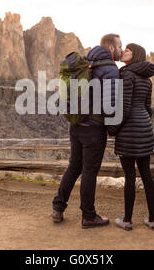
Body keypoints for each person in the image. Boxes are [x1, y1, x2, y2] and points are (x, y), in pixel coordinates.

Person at [52, 34, 121, 228]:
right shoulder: (110, 70)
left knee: (74, 167)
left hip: (76, 125)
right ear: (111, 48)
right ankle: (88, 216)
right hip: (94, 128)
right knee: (89, 171)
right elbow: (111, 103)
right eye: (120, 46)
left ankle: (58, 207)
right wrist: (112, 128)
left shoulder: (84, 64)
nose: (121, 50)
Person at [107, 43, 154, 231]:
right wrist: (143, 125)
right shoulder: (147, 79)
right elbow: (148, 108)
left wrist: (112, 129)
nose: (124, 52)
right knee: (146, 175)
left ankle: (127, 220)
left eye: (128, 50)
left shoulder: (127, 74)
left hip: (129, 131)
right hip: (145, 129)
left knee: (130, 177)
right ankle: (152, 220)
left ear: (135, 55)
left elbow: (125, 107)